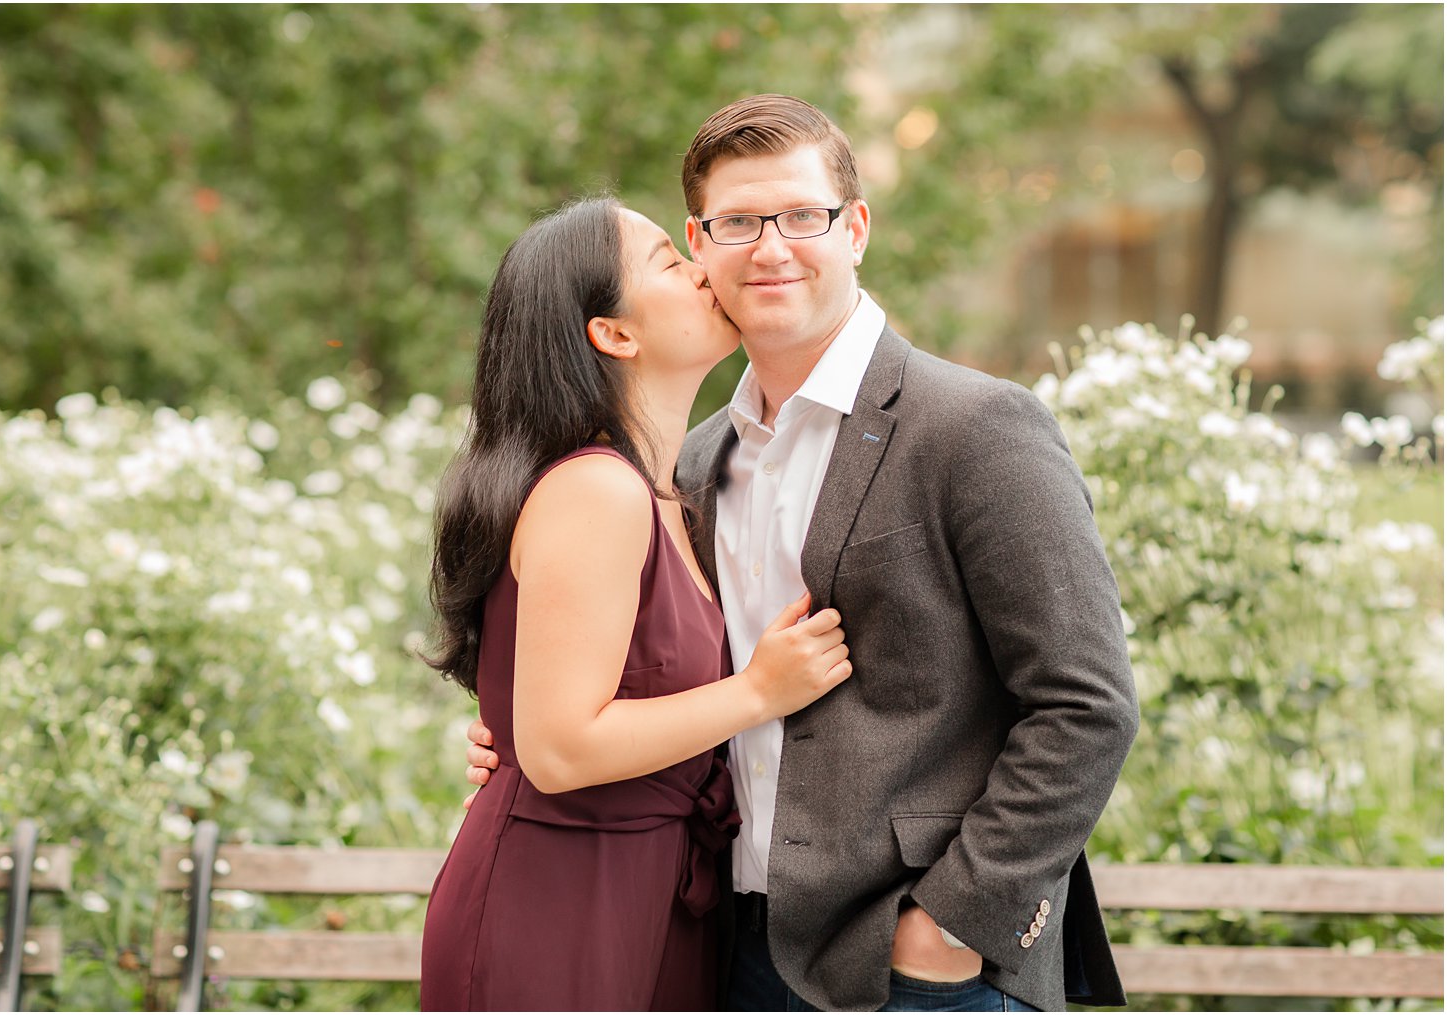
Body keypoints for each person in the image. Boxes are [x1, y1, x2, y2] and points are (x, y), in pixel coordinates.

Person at [463, 95, 1140, 1012]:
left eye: (801, 216)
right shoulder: (692, 465)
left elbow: (1086, 703)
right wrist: (532, 739)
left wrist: (950, 924)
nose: (770, 247)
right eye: (738, 222)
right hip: (726, 945)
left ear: (854, 228)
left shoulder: (977, 426)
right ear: (701, 244)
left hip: (917, 968)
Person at [419, 196, 854, 1011]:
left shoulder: (673, 493)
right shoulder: (596, 489)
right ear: (613, 333)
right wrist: (758, 691)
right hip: (559, 903)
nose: (703, 271)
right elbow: (558, 750)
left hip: (657, 893)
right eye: (667, 260)